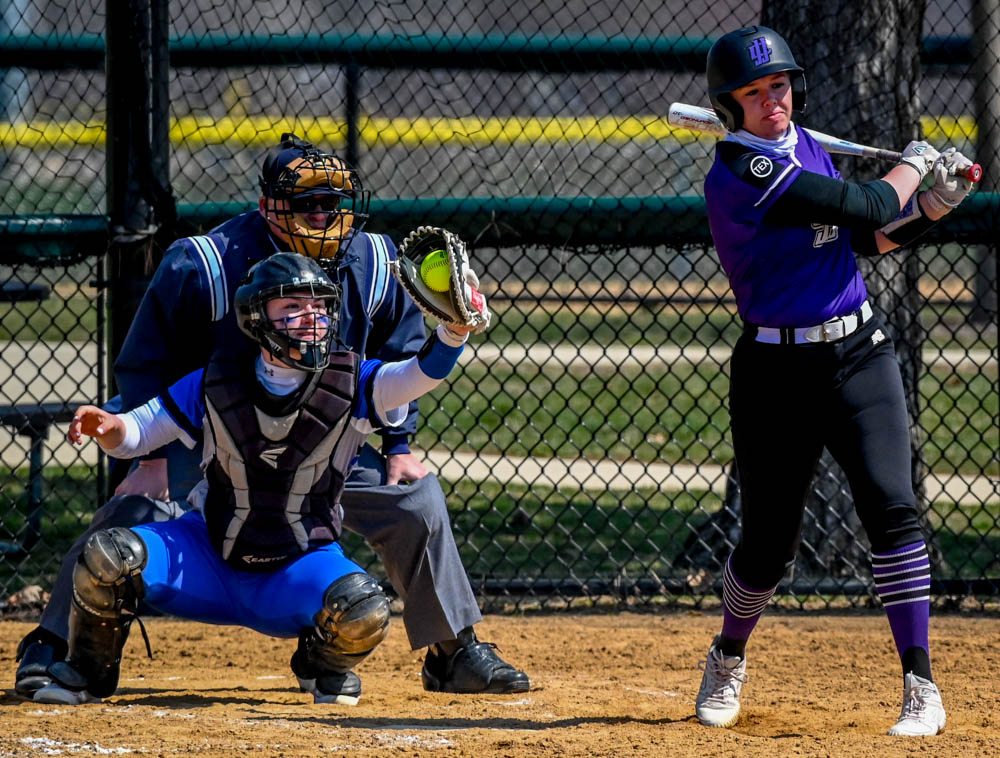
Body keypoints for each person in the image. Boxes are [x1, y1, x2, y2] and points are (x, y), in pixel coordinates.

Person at [15, 133, 528, 700]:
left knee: (415, 501)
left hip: (321, 445)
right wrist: (152, 456)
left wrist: (400, 443)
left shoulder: (375, 261)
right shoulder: (206, 264)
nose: (324, 215)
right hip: (216, 439)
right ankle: (56, 647)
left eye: (334, 202)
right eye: (307, 203)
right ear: (267, 207)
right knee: (132, 511)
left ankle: (453, 652)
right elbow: (146, 364)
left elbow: (401, 363)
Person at [30, 252, 482, 705]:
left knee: (364, 610)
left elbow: (418, 374)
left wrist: (453, 332)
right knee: (108, 556)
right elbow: (138, 432)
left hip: (297, 570)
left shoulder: (356, 379)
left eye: (319, 306)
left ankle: (316, 664)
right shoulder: (216, 379)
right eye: (291, 307)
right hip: (205, 557)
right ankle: (88, 672)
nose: (310, 317)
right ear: (255, 318)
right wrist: (108, 429)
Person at [693, 26, 975, 737]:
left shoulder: (806, 150)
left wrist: (932, 210)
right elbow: (872, 206)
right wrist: (911, 165)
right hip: (775, 371)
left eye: (779, 86)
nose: (771, 101)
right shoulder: (740, 172)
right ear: (729, 105)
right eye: (752, 93)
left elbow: (868, 240)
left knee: (893, 507)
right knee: (767, 545)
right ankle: (728, 652)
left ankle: (921, 685)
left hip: (857, 353)